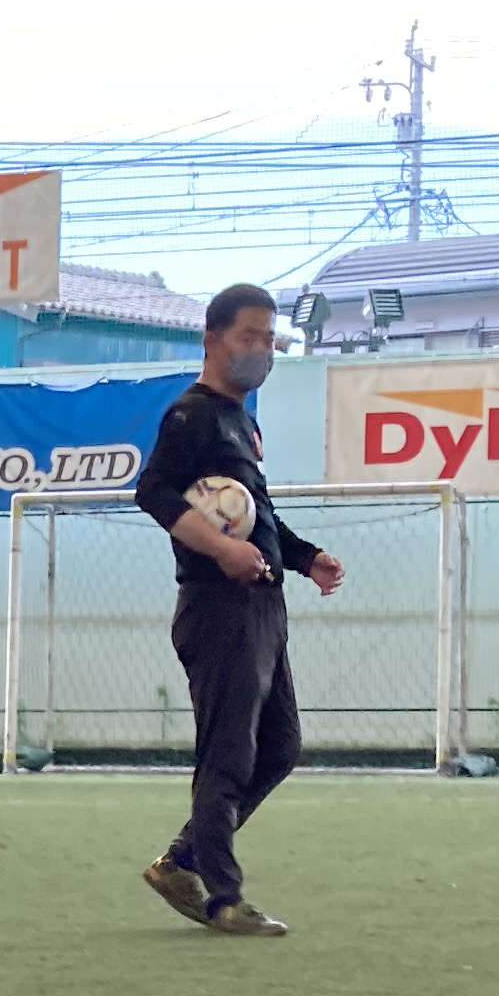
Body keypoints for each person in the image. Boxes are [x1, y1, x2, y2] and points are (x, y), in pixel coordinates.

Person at [134, 284, 343, 936]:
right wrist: (222, 550)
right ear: (212, 340)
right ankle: (223, 898)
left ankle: (181, 861)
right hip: (217, 607)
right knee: (227, 752)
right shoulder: (190, 416)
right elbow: (153, 492)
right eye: (248, 337)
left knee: (279, 746)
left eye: (269, 340)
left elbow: (260, 515)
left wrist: (304, 558)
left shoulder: (242, 422)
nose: (261, 350)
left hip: (263, 606)